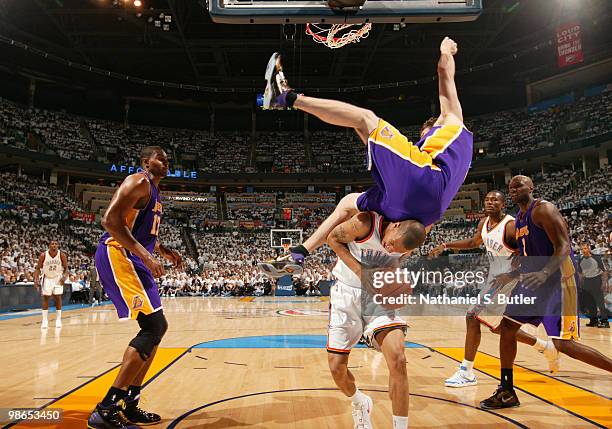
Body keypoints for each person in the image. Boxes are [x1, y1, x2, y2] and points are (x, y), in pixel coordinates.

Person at [264, 37, 472, 265]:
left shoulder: (451, 122)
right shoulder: (427, 212)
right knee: (348, 202)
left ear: (431, 129)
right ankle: (300, 253)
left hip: (422, 183)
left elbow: (444, 73)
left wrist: (446, 52)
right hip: (405, 207)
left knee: (365, 118)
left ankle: (286, 97)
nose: (420, 139)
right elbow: (420, 233)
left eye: (423, 134)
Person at [480, 175, 612, 410]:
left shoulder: (543, 210)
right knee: (507, 327)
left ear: (531, 188)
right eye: (510, 186)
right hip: (533, 283)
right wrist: (511, 276)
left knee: (564, 345)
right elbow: (526, 256)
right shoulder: (519, 219)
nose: (513, 189)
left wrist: (544, 273)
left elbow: (563, 246)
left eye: (518, 185)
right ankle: (507, 390)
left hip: (558, 281)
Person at [88, 146, 183, 429]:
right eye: (160, 157)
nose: (166, 161)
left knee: (157, 329)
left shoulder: (154, 190)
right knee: (153, 327)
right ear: (145, 162)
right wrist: (146, 254)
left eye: (167, 159)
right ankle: (105, 410)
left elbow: (138, 228)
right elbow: (110, 221)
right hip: (117, 254)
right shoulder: (138, 181)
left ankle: (129, 405)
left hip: (134, 256)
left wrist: (162, 249)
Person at [428, 191, 560, 387]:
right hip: (494, 281)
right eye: (487, 200)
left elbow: (529, 252)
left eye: (495, 200)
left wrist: (515, 271)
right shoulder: (484, 223)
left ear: (503, 204)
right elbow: (474, 242)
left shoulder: (510, 226)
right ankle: (545, 347)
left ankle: (467, 371)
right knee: (500, 328)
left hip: (509, 282)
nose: (490, 202)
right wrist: (446, 245)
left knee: (472, 316)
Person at [326, 211, 411, 429]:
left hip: (378, 296)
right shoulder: (364, 222)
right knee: (337, 368)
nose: (390, 249)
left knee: (398, 358)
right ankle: (359, 402)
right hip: (347, 292)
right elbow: (332, 239)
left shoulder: (412, 234)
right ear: (395, 226)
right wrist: (360, 271)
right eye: (391, 244)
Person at [33, 240, 68, 329]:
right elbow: (37, 268)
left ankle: (58, 319)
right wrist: (36, 280)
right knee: (45, 298)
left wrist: (64, 277)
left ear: (58, 245)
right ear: (49, 246)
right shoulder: (43, 255)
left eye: (56, 244)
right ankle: (45, 320)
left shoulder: (62, 255)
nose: (54, 245)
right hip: (47, 278)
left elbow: (66, 268)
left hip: (57, 278)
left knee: (58, 297)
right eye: (52, 244)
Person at [578, 244, 609, 328]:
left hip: (596, 280)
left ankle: (605, 321)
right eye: (582, 249)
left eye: (585, 248)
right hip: (586, 282)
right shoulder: (580, 260)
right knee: (590, 303)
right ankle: (593, 321)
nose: (583, 250)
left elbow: (604, 272)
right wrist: (580, 285)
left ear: (588, 248)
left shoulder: (597, 258)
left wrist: (604, 283)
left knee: (600, 303)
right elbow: (581, 274)